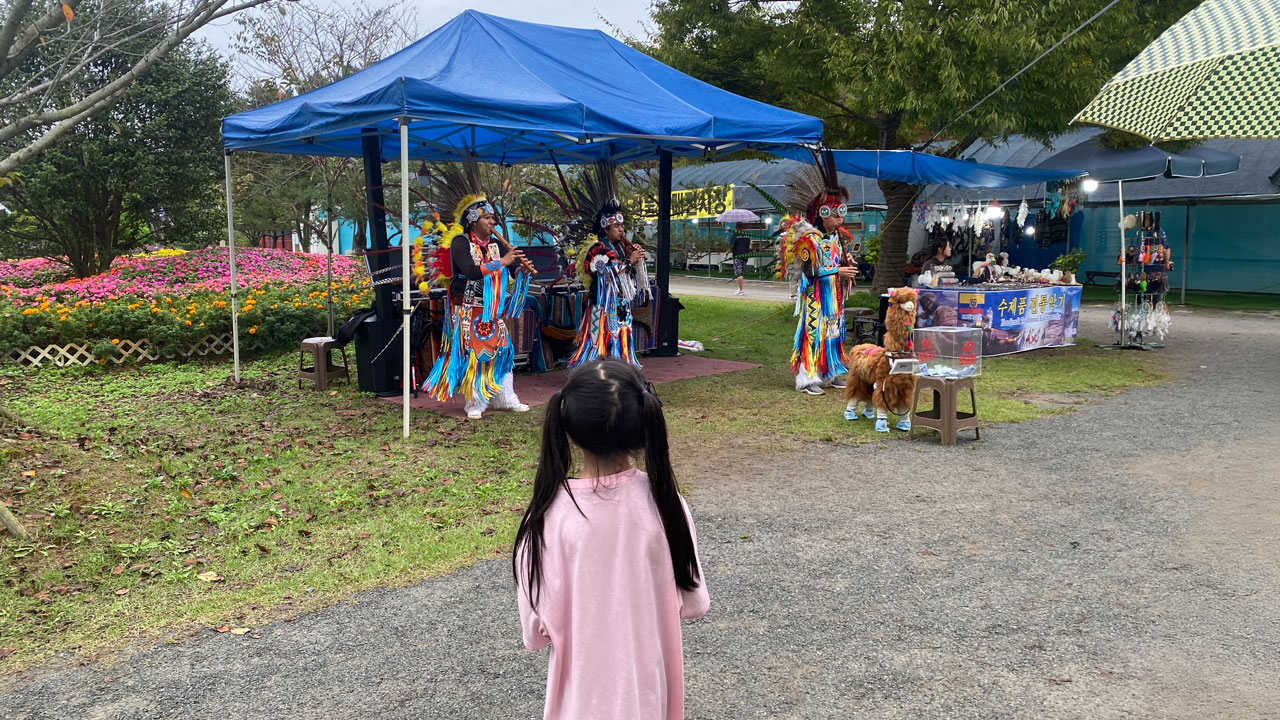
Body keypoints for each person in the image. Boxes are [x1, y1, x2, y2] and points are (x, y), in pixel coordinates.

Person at [513, 359, 709, 720]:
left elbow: (535, 633)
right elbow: (694, 603)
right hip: (650, 701)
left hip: (578, 706)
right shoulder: (666, 504)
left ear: (568, 424)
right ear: (643, 423)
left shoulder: (545, 518)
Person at [422, 191, 532, 420]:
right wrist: (502, 261)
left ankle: (505, 398)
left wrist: (521, 270)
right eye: (487, 218)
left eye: (493, 218)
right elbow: (470, 272)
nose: (493, 222)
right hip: (468, 307)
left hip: (493, 308)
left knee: (501, 350)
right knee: (475, 353)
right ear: (473, 219)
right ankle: (475, 402)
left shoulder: (494, 244)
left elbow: (510, 271)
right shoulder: (460, 242)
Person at [783, 158, 858, 395]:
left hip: (834, 297)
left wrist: (846, 263)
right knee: (813, 334)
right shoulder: (810, 239)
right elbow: (808, 272)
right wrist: (838, 270)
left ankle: (829, 372)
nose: (840, 220)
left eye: (841, 215)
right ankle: (807, 378)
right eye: (835, 216)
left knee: (834, 334)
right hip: (816, 298)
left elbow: (833, 262)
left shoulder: (835, 238)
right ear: (822, 214)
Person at [570, 195, 651, 367]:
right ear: (606, 229)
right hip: (603, 305)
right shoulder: (597, 248)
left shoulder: (621, 247)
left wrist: (634, 257)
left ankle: (620, 367)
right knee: (603, 337)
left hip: (620, 302)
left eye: (622, 226)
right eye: (616, 226)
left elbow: (625, 272)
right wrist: (630, 260)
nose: (621, 230)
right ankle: (596, 369)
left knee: (622, 333)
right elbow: (606, 273)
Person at [728, 227, 751, 295]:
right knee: (741, 273)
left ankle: (741, 290)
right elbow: (748, 245)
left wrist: (726, 253)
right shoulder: (747, 235)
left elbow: (731, 246)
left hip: (737, 256)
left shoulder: (735, 235)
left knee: (739, 273)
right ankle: (739, 288)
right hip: (745, 256)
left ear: (736, 228)